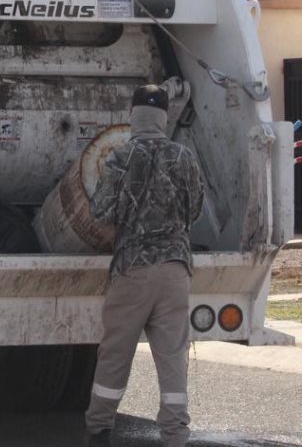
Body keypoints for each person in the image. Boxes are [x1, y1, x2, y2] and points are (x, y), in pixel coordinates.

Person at [84, 84, 204, 447]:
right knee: (172, 358)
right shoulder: (183, 157)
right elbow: (195, 210)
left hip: (133, 271)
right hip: (175, 271)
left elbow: (101, 212)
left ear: (134, 116)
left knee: (116, 354)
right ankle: (175, 435)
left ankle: (99, 429)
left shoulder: (121, 157)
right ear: (164, 118)